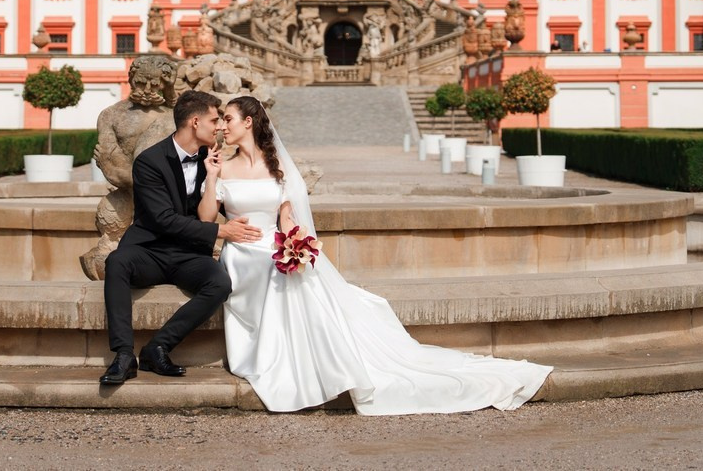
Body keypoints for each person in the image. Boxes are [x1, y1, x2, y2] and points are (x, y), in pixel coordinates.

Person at [198, 96, 552, 415]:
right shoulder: (222, 166)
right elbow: (206, 219)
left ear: (248, 122)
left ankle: (301, 361)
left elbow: (289, 220)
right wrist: (212, 178)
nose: (222, 126)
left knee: (290, 276)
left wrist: (295, 248)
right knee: (273, 274)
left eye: (228, 118)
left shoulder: (278, 169)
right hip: (241, 254)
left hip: (275, 251)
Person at [100, 90, 262, 386]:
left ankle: (158, 347)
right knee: (117, 262)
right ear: (195, 122)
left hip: (189, 255)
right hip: (150, 249)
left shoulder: (212, 160)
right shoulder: (149, 161)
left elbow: (229, 202)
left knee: (220, 283)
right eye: (215, 120)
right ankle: (123, 355)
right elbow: (163, 220)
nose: (220, 127)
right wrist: (220, 231)